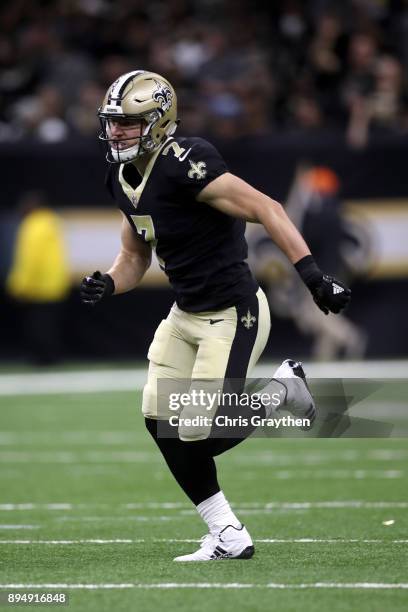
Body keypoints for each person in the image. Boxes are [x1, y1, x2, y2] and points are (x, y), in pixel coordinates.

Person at [80, 70, 350, 561]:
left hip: (231, 312)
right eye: (112, 122)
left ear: (159, 122)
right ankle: (228, 533)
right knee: (159, 420)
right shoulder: (120, 177)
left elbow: (267, 208)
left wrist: (313, 276)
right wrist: (109, 282)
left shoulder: (188, 161)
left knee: (200, 432)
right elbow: (136, 256)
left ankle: (281, 392)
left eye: (127, 123)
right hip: (185, 313)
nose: (115, 132)